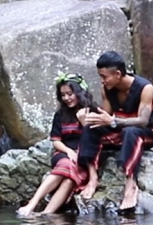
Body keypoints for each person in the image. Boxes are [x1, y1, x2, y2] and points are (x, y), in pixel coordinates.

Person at [77, 51, 153, 211]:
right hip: (120, 130)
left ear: (118, 74)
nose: (101, 81)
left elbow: (143, 121)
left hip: (145, 132)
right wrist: (90, 118)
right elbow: (105, 116)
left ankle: (131, 184)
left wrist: (112, 121)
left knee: (131, 132)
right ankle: (93, 177)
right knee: (91, 127)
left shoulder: (145, 87)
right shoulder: (107, 89)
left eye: (104, 76)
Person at [18, 74, 97, 216]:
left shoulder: (93, 111)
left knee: (69, 180)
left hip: (84, 156)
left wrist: (85, 123)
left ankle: (47, 214)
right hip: (63, 154)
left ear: (79, 92)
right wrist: (68, 151)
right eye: (63, 95)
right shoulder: (60, 115)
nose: (66, 98)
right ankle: (32, 204)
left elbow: (95, 138)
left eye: (70, 94)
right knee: (66, 165)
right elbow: (56, 141)